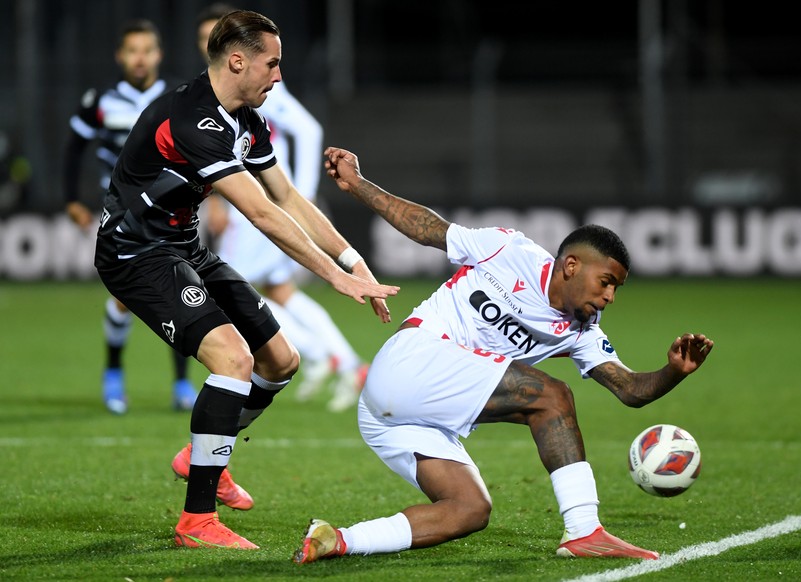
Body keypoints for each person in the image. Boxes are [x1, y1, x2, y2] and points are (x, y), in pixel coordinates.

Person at [294, 147, 715, 562]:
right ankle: (585, 529)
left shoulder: (582, 329)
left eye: (616, 289)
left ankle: (339, 540)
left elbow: (630, 389)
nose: (609, 297)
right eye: (605, 281)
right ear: (571, 266)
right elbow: (428, 228)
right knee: (551, 396)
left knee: (469, 509)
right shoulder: (509, 250)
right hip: (412, 360)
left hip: (395, 416)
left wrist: (674, 371)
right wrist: (358, 184)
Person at [93, 12, 398, 549]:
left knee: (280, 360)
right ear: (238, 61)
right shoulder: (192, 119)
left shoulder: (245, 120)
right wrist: (333, 277)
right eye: (271, 63)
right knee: (233, 359)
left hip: (182, 246)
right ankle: (197, 521)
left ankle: (201, 455)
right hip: (134, 253)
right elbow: (261, 214)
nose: (278, 76)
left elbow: (288, 197)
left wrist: (352, 260)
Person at [197, 3, 369, 412]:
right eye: (203, 37)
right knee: (280, 291)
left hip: (264, 202)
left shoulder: (255, 83)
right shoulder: (219, 88)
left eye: (214, 34)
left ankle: (321, 356)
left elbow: (307, 129)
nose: (208, 43)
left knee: (230, 290)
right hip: (251, 197)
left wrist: (300, 196)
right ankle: (344, 362)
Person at [63, 19, 198, 414]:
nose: (140, 58)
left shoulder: (178, 96)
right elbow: (73, 149)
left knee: (185, 291)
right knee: (124, 298)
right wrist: (72, 200)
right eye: (132, 51)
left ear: (159, 55)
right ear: (120, 56)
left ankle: (181, 384)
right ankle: (113, 373)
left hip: (174, 209)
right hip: (123, 213)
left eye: (147, 50)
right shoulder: (102, 100)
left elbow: (203, 151)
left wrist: (219, 202)